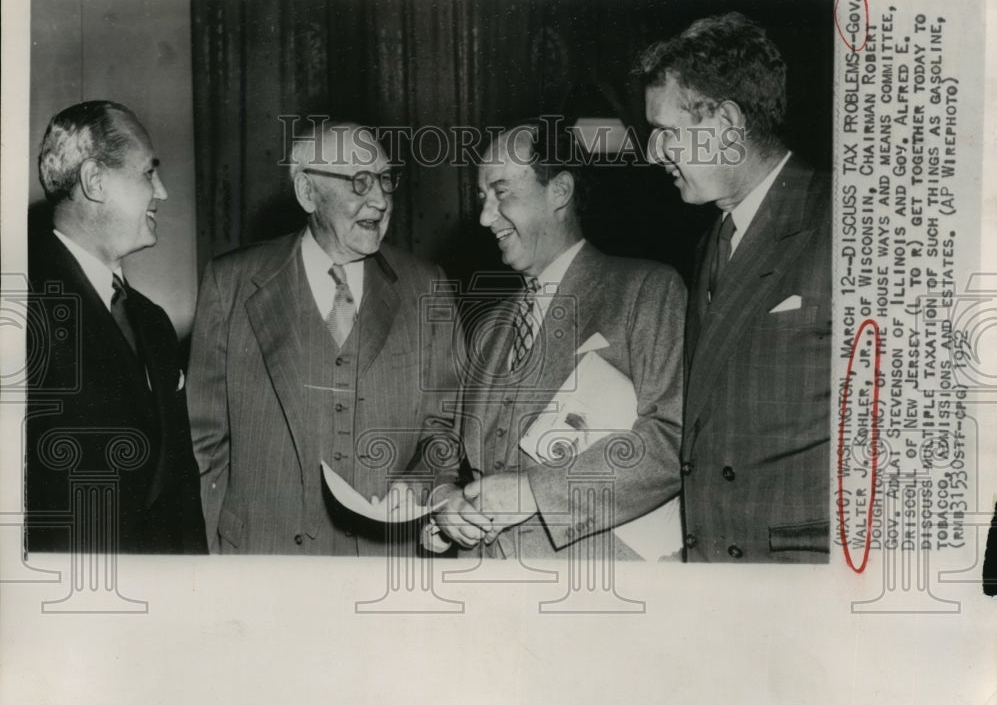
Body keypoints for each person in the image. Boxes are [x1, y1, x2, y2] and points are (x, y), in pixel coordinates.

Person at [185, 121, 459, 554]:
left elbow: (444, 430)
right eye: (360, 181)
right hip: (263, 566)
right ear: (307, 192)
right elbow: (203, 445)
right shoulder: (231, 283)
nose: (381, 199)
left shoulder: (427, 286)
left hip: (385, 566)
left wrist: (420, 480)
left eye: (386, 179)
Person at [432, 121, 686, 558]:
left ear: (560, 191)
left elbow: (671, 441)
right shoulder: (489, 325)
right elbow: (454, 453)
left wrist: (535, 493)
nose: (485, 217)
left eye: (501, 192)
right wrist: (447, 502)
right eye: (482, 198)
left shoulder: (646, 290)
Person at [639, 12, 832, 563]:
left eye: (666, 133)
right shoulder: (712, 241)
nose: (656, 154)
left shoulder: (847, 217)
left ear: (724, 123)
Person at [25, 100, 208, 554]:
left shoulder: (153, 322)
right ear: (95, 181)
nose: (162, 192)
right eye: (148, 173)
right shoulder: (23, 313)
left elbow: (179, 486)